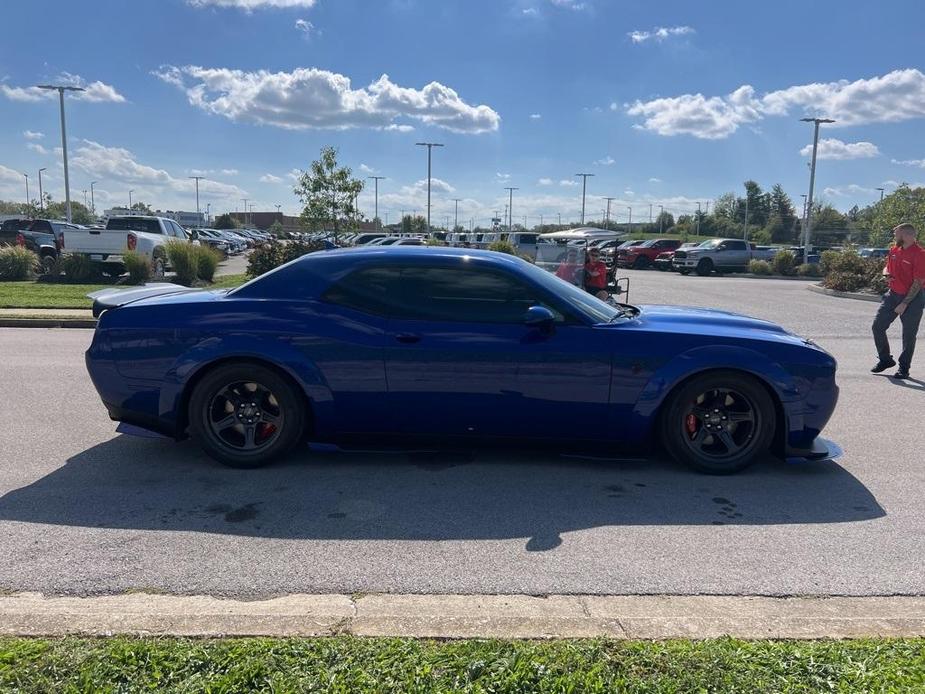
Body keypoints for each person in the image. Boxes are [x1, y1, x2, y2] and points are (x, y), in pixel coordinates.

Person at [871, 223, 925, 379]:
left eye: (897, 233)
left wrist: (904, 303)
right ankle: (885, 359)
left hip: (913, 298)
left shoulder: (920, 254)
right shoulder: (894, 249)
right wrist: (886, 272)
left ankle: (904, 368)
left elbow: (919, 281)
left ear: (907, 235)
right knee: (877, 327)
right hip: (892, 294)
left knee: (908, 335)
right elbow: (887, 267)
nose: (895, 236)